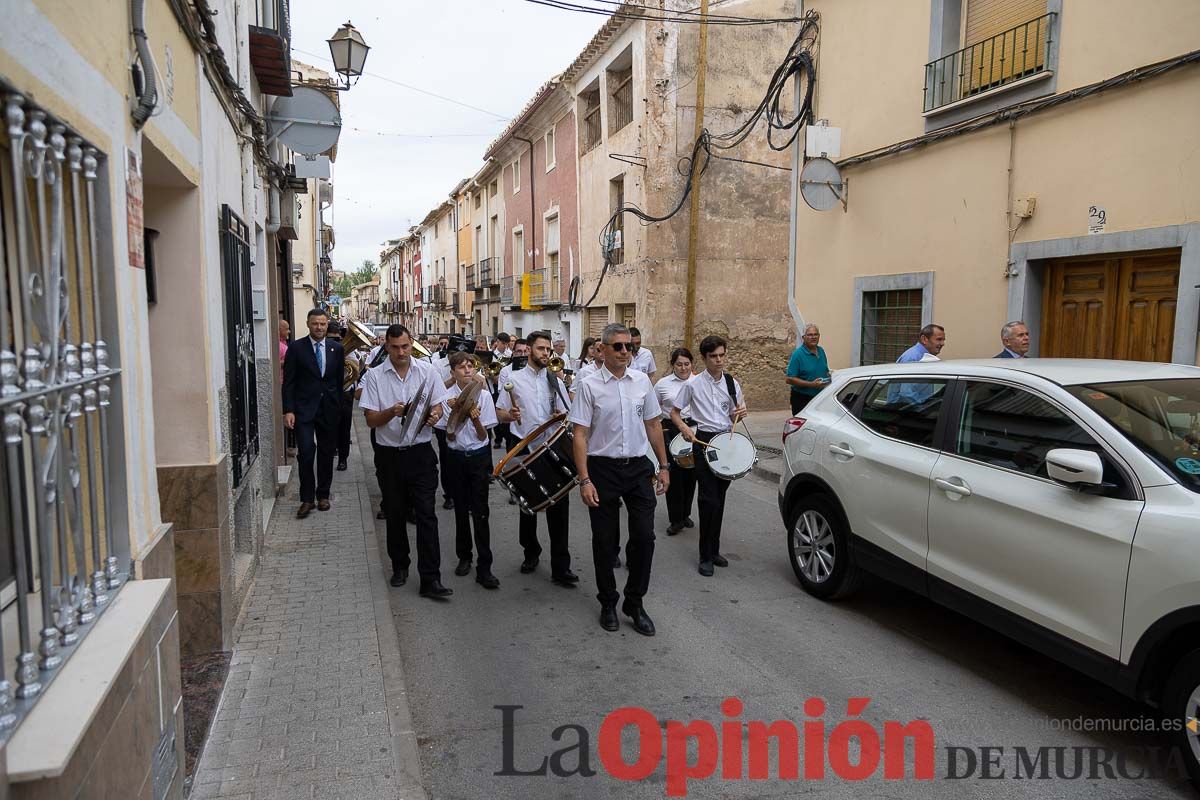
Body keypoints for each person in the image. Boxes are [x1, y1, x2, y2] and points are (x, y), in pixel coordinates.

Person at [569, 323, 670, 636]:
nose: (626, 352)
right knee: (605, 541)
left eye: (630, 347)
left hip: (639, 467)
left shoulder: (641, 382)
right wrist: (584, 479)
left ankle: (634, 602)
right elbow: (580, 434)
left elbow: (653, 424)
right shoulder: (588, 385)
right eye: (618, 347)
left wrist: (664, 465)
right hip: (602, 469)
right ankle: (608, 602)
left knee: (644, 538)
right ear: (603, 349)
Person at [360, 324, 451, 598]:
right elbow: (370, 420)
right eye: (395, 347)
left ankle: (430, 579)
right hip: (389, 456)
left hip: (421, 453)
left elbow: (438, 403)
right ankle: (400, 566)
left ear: (412, 344)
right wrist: (393, 411)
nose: (401, 352)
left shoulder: (427, 370)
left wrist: (434, 415)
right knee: (396, 514)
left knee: (427, 515)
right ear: (386, 347)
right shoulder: (375, 375)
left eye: (405, 346)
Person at [496, 331, 579, 587]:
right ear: (529, 350)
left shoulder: (555, 380)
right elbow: (499, 413)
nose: (546, 353)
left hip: (552, 449)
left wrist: (561, 413)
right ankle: (530, 553)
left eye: (548, 349)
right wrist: (510, 415)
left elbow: (570, 413)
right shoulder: (513, 378)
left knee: (559, 509)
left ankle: (560, 567)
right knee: (527, 507)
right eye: (541, 349)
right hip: (524, 448)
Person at [671, 335, 748, 577]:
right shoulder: (692, 385)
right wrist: (684, 428)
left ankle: (714, 550)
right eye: (713, 356)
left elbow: (738, 413)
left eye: (722, 355)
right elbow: (674, 412)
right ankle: (705, 555)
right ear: (704, 358)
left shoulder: (731, 383)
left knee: (720, 498)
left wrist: (741, 413)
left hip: (726, 442)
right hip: (703, 442)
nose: (719, 360)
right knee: (708, 499)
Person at [436, 351, 500, 589]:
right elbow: (448, 434)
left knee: (481, 511)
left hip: (478, 457)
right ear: (453, 372)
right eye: (462, 367)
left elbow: (484, 435)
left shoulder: (483, 396)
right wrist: (457, 411)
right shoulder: (445, 397)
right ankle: (464, 557)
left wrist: (474, 418)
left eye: (471, 366)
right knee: (461, 510)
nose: (468, 370)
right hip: (456, 457)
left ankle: (485, 566)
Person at [283, 308, 345, 518]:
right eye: (315, 324)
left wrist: (337, 406)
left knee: (327, 453)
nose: (319, 327)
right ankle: (307, 499)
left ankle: (323, 496)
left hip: (328, 409)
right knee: (307, 453)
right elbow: (289, 382)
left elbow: (337, 382)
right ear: (308, 324)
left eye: (323, 324)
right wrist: (288, 410)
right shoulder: (296, 348)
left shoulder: (337, 348)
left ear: (327, 325)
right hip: (303, 410)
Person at [655, 348, 697, 536]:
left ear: (692, 364)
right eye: (679, 364)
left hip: (693, 429)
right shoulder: (662, 384)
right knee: (674, 474)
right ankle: (675, 519)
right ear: (673, 365)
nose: (683, 368)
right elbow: (654, 409)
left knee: (691, 475)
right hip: (670, 429)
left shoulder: (698, 382)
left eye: (686, 364)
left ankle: (685, 513)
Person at [785, 324, 831, 414]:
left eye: (815, 334)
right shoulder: (798, 354)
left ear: (819, 336)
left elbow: (825, 370)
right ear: (803, 337)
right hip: (802, 399)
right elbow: (789, 379)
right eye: (810, 335)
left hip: (820, 398)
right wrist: (811, 384)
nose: (813, 337)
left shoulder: (821, 351)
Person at [328, 324, 355, 471]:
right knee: (329, 425)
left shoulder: (348, 351)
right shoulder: (324, 350)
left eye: (337, 338)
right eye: (331, 338)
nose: (335, 341)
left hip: (345, 393)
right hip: (329, 393)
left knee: (345, 428)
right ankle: (330, 451)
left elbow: (357, 367)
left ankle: (343, 459)